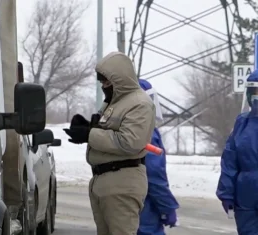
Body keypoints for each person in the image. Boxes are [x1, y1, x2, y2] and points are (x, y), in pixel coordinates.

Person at [64, 51, 155, 235]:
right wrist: (88, 127)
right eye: (101, 82)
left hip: (122, 182)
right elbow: (109, 130)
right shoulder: (115, 102)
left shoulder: (139, 103)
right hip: (104, 181)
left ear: (120, 80)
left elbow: (129, 141)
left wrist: (90, 134)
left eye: (107, 82)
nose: (103, 86)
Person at [216, 69, 258, 235]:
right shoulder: (242, 123)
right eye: (254, 92)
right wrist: (226, 193)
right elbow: (229, 161)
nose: (257, 97)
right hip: (247, 197)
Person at [137, 79, 179, 235]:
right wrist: (168, 208)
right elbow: (153, 176)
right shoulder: (147, 133)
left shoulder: (117, 127)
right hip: (144, 209)